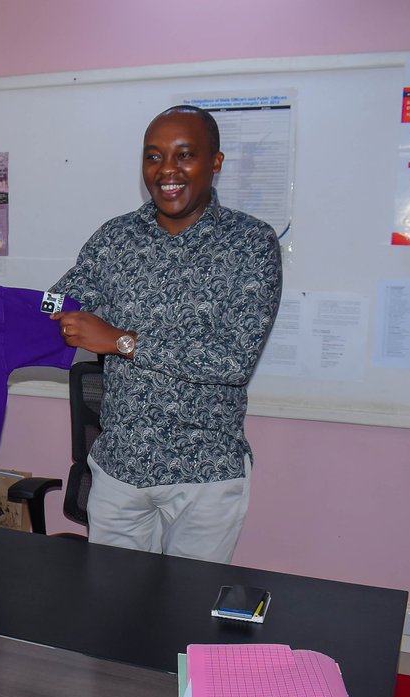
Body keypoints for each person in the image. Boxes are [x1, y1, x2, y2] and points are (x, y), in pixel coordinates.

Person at [50, 105, 282, 562]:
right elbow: (58, 306)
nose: (167, 170)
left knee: (183, 615)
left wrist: (120, 341)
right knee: (114, 617)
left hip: (204, 477)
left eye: (185, 155)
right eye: (153, 156)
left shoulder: (251, 243)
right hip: (119, 471)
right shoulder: (116, 238)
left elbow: (233, 362)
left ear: (215, 162)